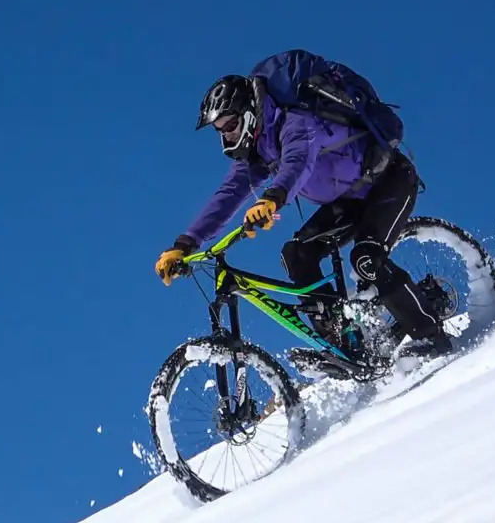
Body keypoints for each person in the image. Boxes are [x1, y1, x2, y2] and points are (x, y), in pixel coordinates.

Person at [153, 66, 452, 362]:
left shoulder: (297, 123)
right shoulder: (259, 151)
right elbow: (229, 194)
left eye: (229, 126)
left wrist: (273, 198)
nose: (227, 137)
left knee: (366, 259)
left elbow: (298, 162)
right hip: (348, 200)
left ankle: (432, 338)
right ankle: (346, 345)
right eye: (221, 131)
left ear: (246, 113)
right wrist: (184, 245)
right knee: (296, 255)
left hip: (388, 182)